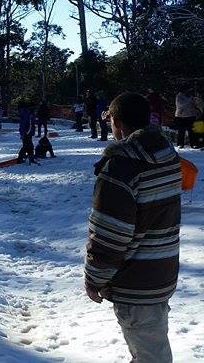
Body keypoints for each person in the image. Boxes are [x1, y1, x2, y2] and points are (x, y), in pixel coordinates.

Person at [85, 92, 181, 363]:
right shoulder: (168, 157)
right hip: (162, 274)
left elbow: (109, 235)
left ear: (116, 123)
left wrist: (94, 278)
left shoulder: (121, 169)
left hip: (136, 283)